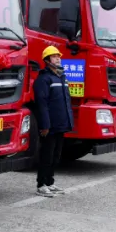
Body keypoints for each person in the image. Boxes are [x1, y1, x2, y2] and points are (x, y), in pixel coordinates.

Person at [33, 45, 74, 196]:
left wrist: (68, 122)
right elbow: (42, 104)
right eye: (54, 56)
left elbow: (66, 101)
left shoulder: (61, 77)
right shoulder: (43, 79)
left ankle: (50, 182)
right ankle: (41, 184)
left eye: (59, 56)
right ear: (47, 60)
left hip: (60, 124)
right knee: (47, 155)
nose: (58, 58)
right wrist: (45, 125)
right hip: (49, 125)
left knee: (56, 156)